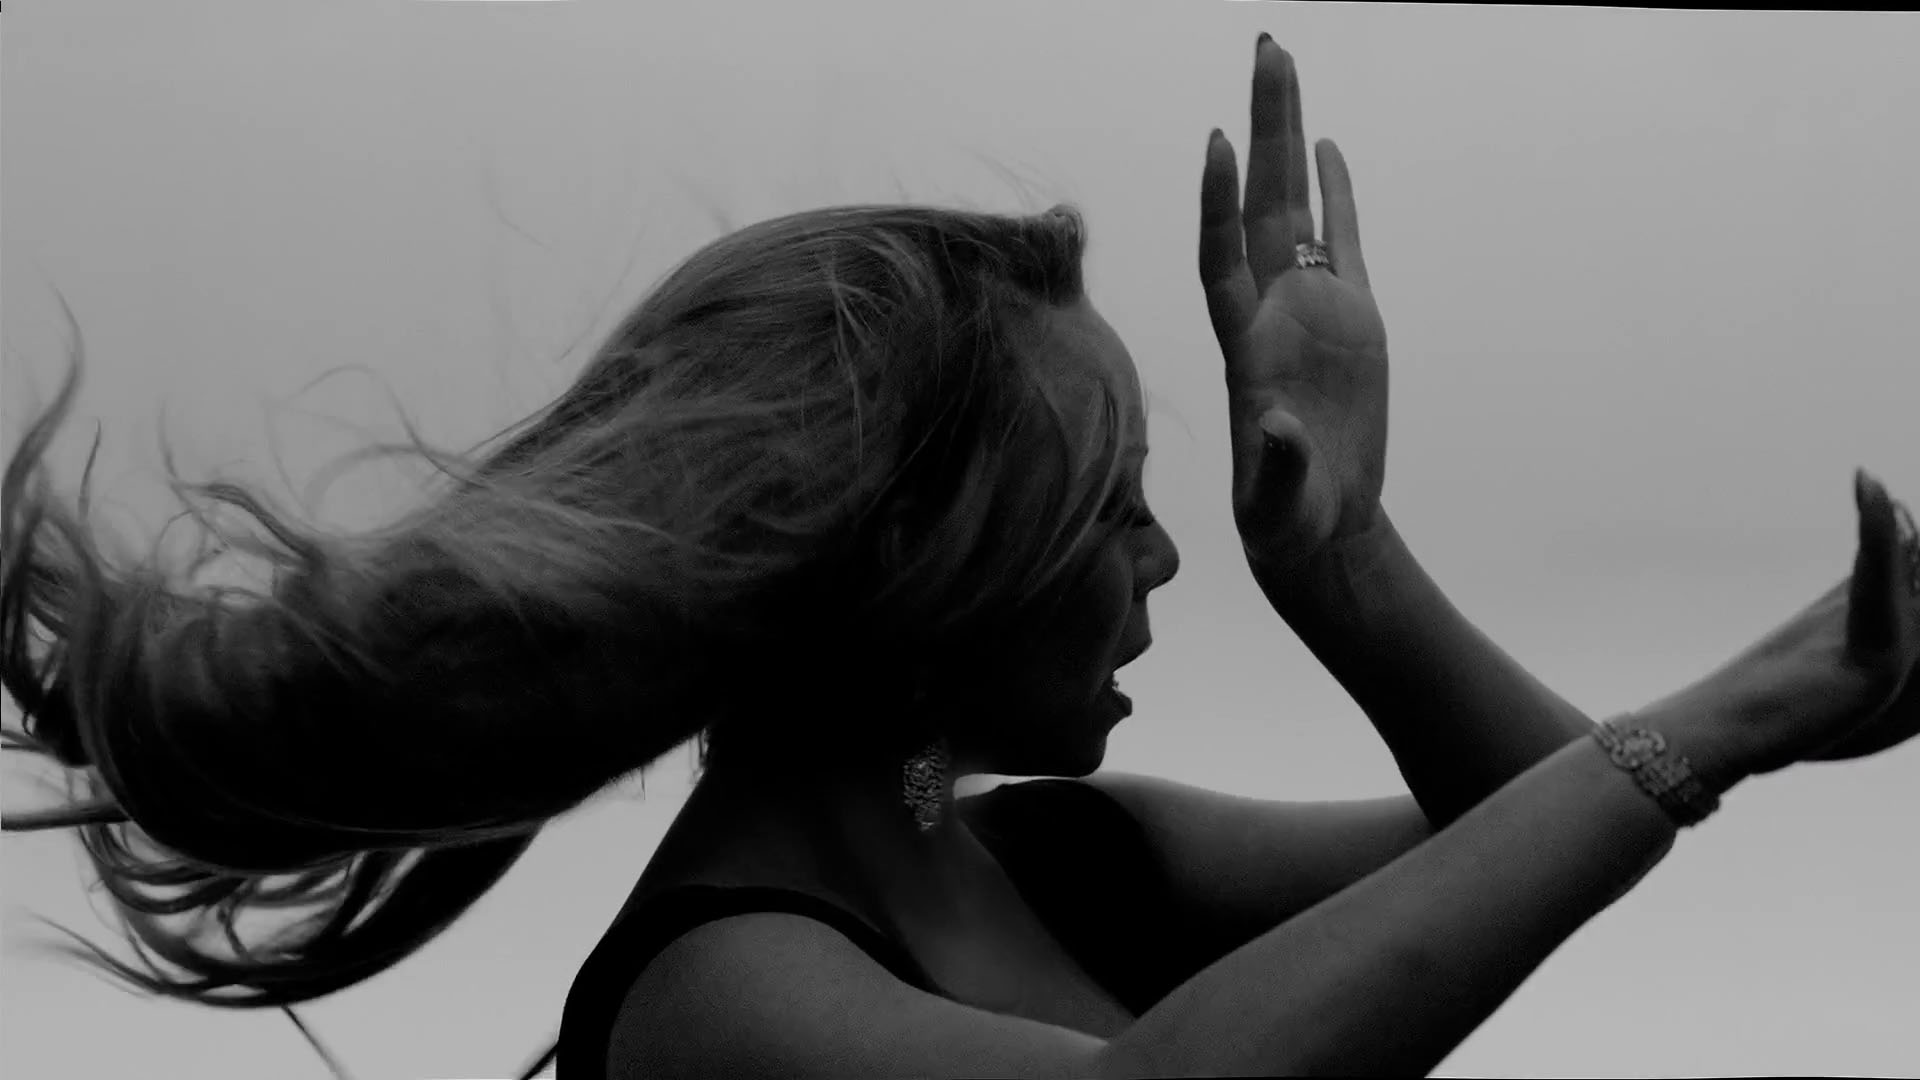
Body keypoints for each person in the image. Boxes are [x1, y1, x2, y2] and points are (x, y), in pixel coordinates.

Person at [3, 33, 1918, 1080]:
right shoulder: (717, 994)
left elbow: (1529, 829)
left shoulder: (1078, 855)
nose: (1163, 557)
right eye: (1110, 508)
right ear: (926, 574)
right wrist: (1735, 711)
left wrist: (1348, 562)